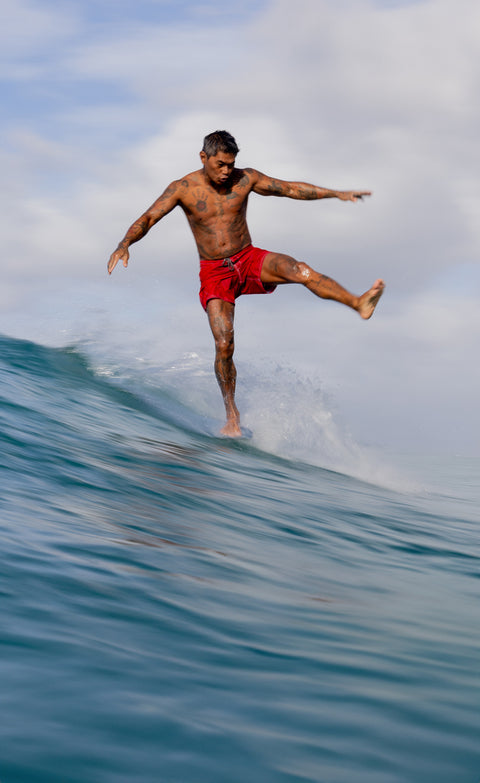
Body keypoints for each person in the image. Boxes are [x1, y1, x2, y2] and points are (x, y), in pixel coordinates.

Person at [108, 130, 384, 438]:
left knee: (300, 270)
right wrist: (125, 243)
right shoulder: (183, 188)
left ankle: (358, 303)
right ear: (204, 158)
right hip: (215, 273)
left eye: (231, 164)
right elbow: (149, 218)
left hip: (249, 258)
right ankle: (232, 416)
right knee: (224, 344)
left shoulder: (245, 179)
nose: (227, 171)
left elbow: (290, 189)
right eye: (221, 164)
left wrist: (335, 193)